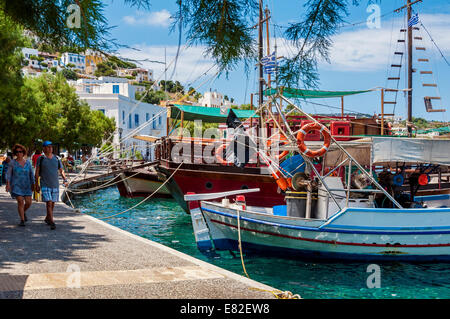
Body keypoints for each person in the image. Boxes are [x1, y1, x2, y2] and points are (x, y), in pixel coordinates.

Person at [35, 141, 68, 230]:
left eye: (51, 147)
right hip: (44, 184)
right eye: (48, 147)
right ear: (44, 148)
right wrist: (36, 185)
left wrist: (65, 179)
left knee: (52, 204)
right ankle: (52, 222)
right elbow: (37, 172)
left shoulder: (57, 159)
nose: (50, 148)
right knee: (49, 202)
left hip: (55, 185)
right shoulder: (41, 159)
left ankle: (47, 218)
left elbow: (61, 170)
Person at [5, 144, 35, 226]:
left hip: (27, 185)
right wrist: (8, 184)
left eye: (20, 151)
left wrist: (33, 184)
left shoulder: (28, 163)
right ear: (15, 153)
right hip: (16, 186)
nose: (19, 153)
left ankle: (23, 212)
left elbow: (31, 174)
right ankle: (22, 220)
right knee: (20, 201)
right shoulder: (12, 163)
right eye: (17, 152)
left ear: (23, 153)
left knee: (29, 202)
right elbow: (8, 174)